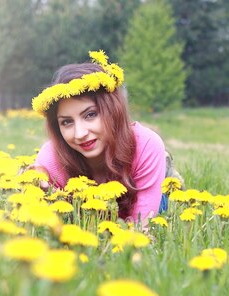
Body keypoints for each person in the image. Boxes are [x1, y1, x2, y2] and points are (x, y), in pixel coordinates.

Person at [29, 50, 181, 226]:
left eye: (90, 115)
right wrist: (43, 197)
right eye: (66, 122)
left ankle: (166, 167)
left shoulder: (145, 145)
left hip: (147, 189)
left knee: (166, 209)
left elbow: (141, 228)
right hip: (93, 218)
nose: (80, 134)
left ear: (113, 110)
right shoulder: (50, 160)